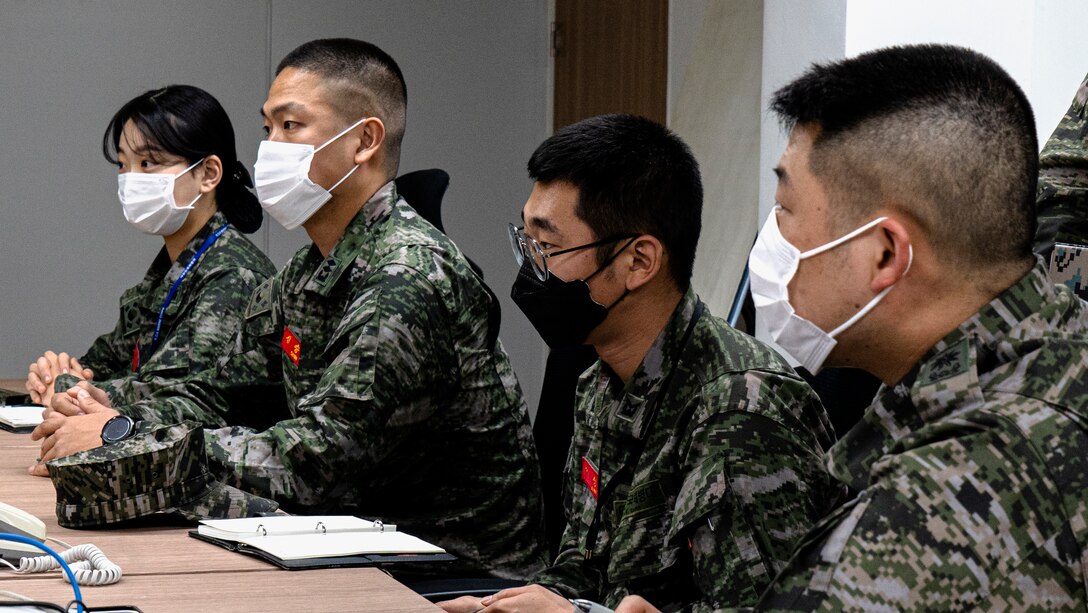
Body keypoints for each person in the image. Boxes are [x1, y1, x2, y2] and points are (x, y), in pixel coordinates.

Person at [31, 38, 547, 580]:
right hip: (353, 538)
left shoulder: (405, 276)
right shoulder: (306, 270)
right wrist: (108, 412)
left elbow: (319, 461)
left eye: (291, 126)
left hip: (453, 572)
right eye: (267, 128)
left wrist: (125, 438)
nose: (270, 148)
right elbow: (222, 391)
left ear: (364, 141)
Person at [617, 44, 1088, 612]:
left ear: (885, 253)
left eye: (786, 209)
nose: (771, 239)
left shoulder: (914, 527)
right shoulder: (1060, 347)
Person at [440, 114, 837, 612]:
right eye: (526, 242)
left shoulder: (740, 410)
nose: (531, 267)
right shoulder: (600, 383)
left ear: (639, 262)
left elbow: (765, 608)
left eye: (547, 247)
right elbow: (585, 566)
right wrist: (503, 606)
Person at [24, 84, 278, 430]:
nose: (131, 179)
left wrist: (65, 386)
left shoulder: (234, 275)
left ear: (208, 174)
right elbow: (104, 363)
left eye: (148, 163)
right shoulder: (170, 270)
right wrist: (53, 374)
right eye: (123, 164)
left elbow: (171, 394)